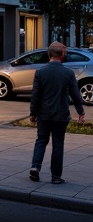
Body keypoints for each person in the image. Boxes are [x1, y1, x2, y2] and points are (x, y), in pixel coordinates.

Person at [29, 41, 86, 184]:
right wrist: (81, 112)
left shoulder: (40, 72)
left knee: (41, 140)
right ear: (61, 55)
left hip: (44, 114)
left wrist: (33, 113)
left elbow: (36, 95)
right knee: (58, 144)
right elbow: (75, 93)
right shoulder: (68, 73)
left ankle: (35, 167)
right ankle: (56, 176)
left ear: (49, 54)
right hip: (61, 115)